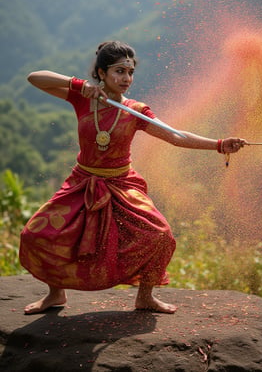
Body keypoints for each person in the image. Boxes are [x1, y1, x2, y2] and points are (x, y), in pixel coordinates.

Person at [20, 40, 246, 315]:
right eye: (119, 71)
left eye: (130, 72)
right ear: (101, 73)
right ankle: (55, 295)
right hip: (83, 182)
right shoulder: (83, 98)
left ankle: (145, 297)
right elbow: (35, 78)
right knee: (37, 234)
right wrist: (78, 85)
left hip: (122, 184)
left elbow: (175, 135)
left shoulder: (136, 110)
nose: (126, 79)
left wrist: (220, 144)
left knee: (160, 235)